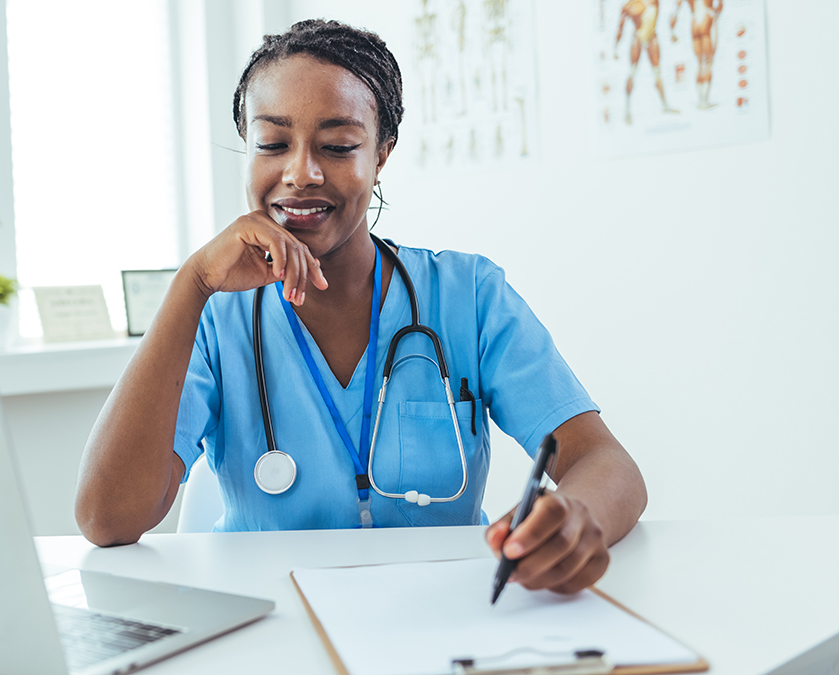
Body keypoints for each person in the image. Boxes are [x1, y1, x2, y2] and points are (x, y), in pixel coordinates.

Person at [76, 19, 646, 595]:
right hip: (267, 624)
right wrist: (191, 284)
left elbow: (606, 464)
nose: (301, 172)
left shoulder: (467, 294)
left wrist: (578, 517)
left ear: (382, 154)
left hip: (439, 614)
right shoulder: (214, 317)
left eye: (338, 146)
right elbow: (107, 518)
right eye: (272, 144)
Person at [615, 0, 679, 124]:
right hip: (638, 37)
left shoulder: (654, 1)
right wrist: (615, 48)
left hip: (651, 36)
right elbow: (620, 27)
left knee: (657, 72)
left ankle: (664, 104)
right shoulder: (628, 6)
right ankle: (627, 109)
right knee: (632, 72)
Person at [670, 0, 723, 109]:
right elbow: (720, 4)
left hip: (694, 22)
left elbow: (675, 9)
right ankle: (705, 101)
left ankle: (700, 101)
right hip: (707, 17)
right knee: (708, 63)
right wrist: (716, 15)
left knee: (699, 63)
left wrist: (672, 31)